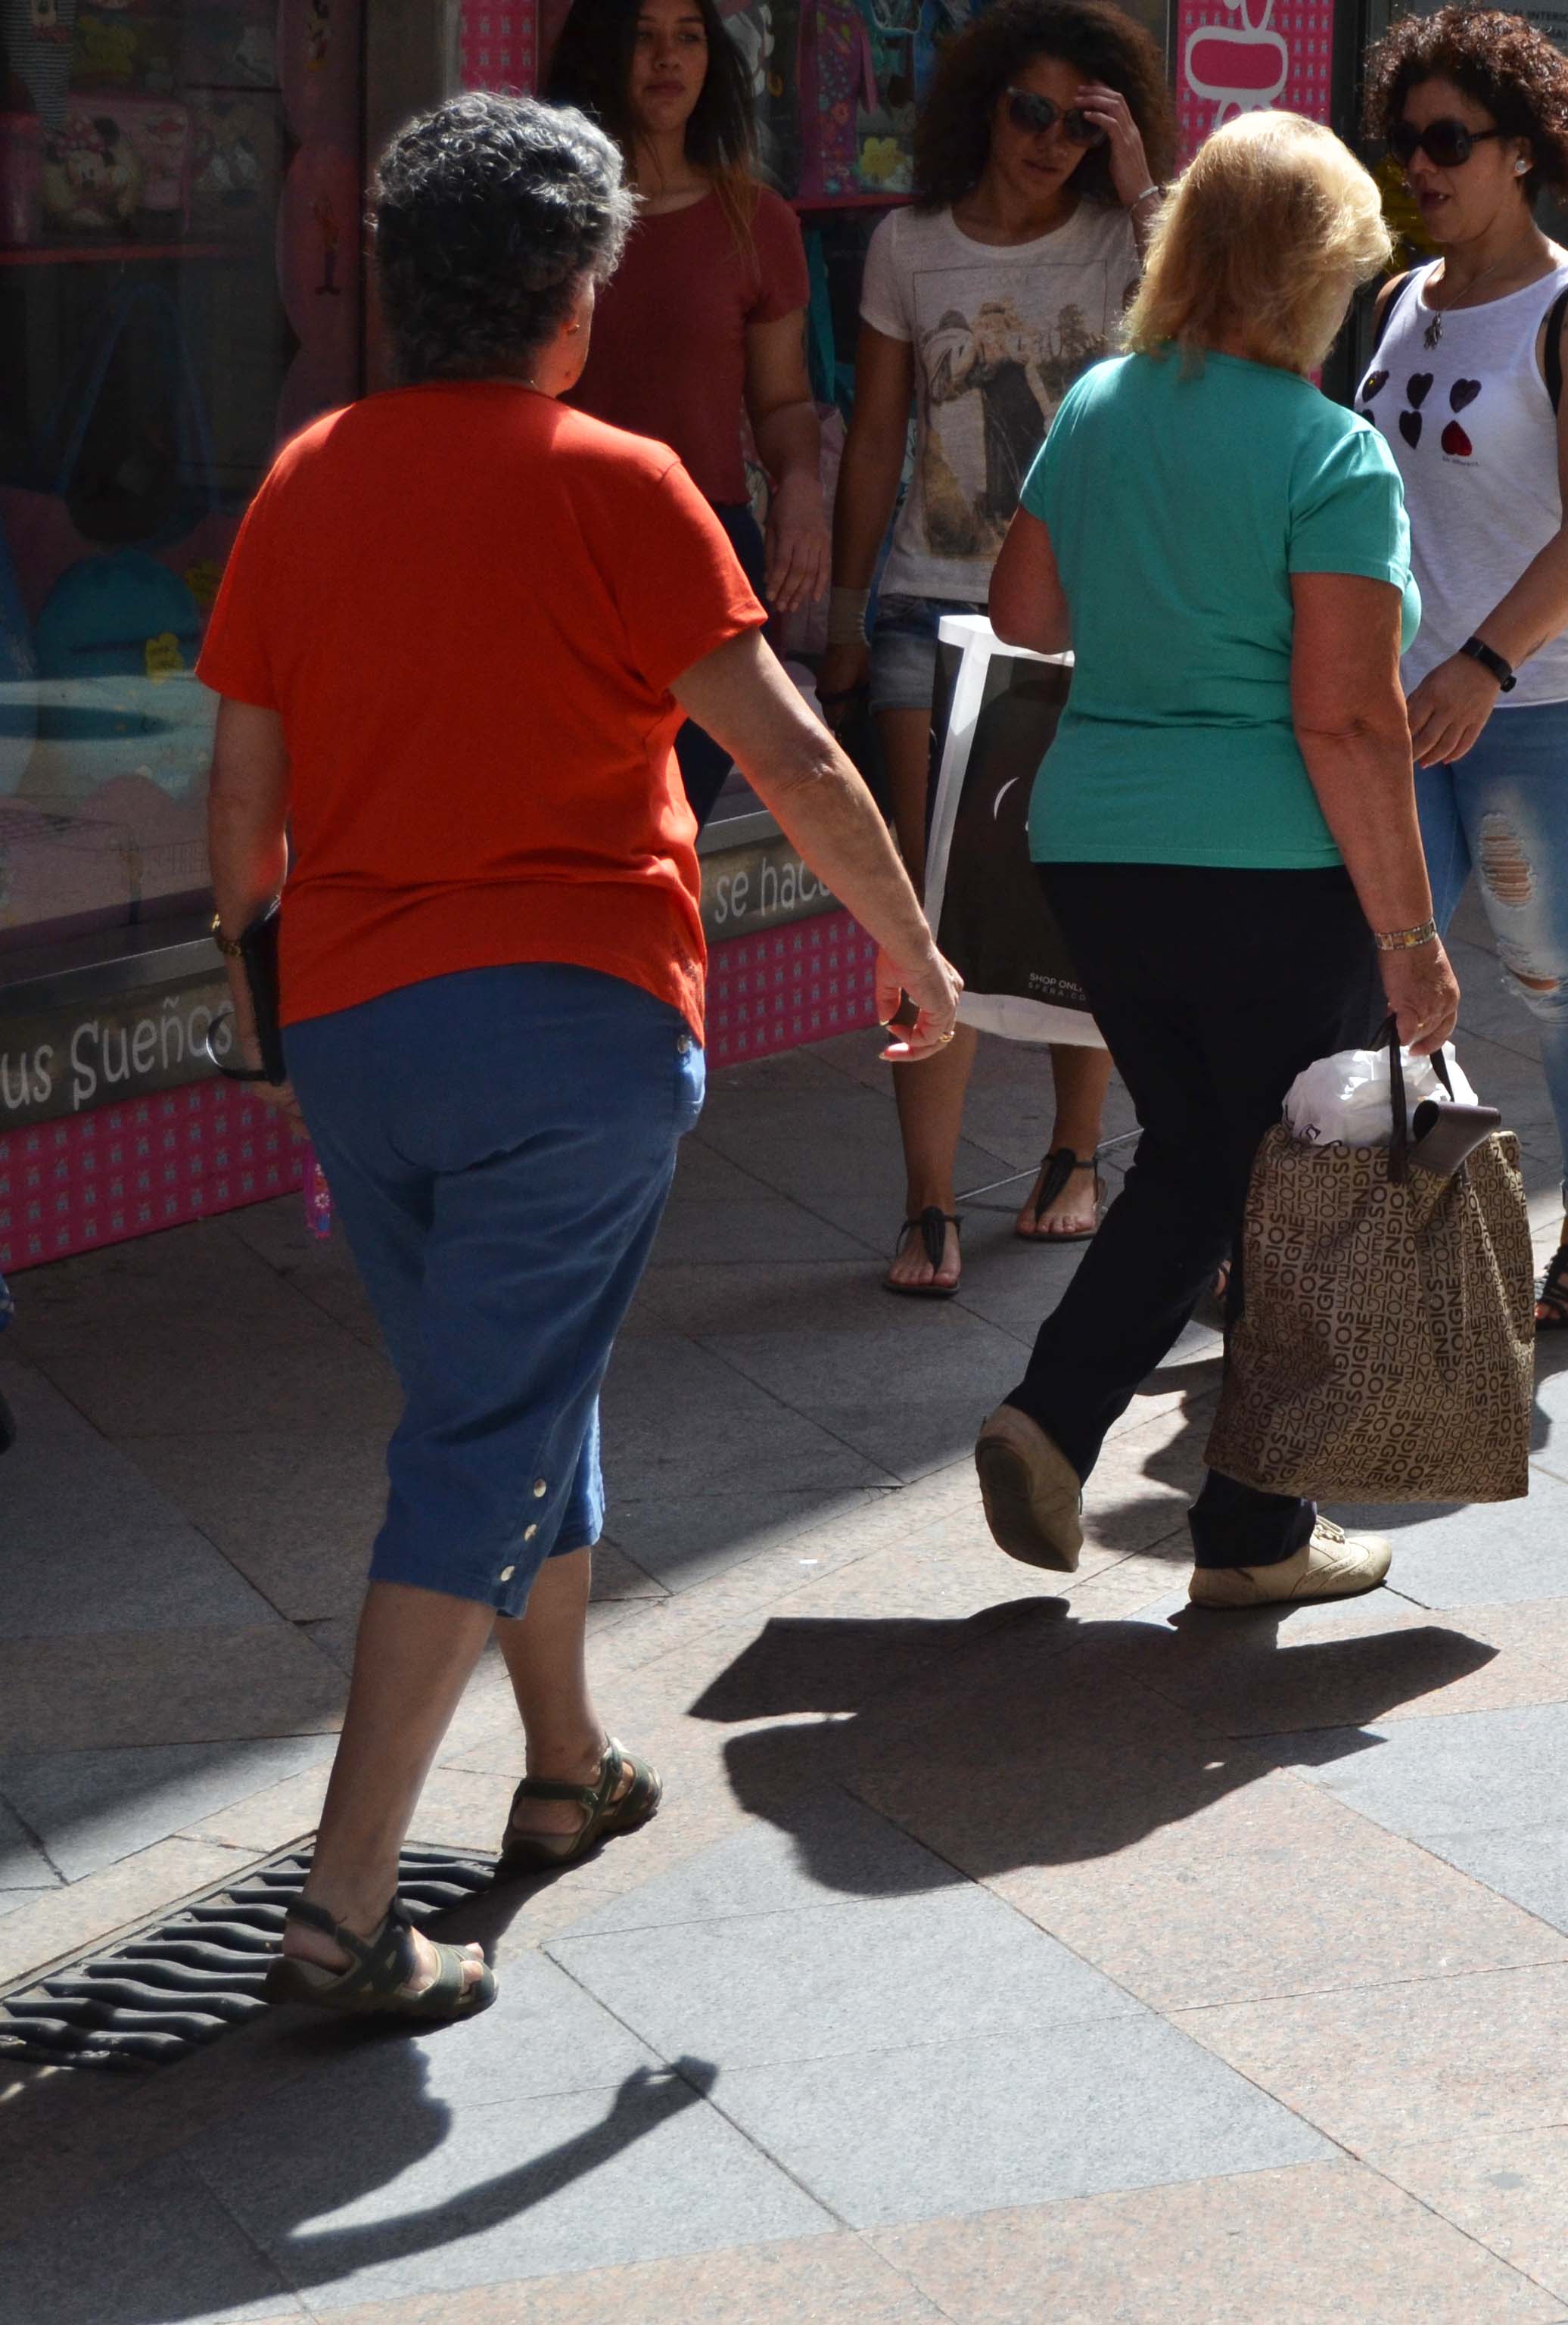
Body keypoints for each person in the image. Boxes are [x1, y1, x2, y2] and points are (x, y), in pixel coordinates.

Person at [200, 95, 960, 2020]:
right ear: (578, 290)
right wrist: (918, 954)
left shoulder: (309, 479)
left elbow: (240, 831)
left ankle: (563, 1766)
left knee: (518, 1377)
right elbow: (791, 754)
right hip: (580, 1027)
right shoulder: (622, 483)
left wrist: (261, 1026)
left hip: (361, 1028)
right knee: (481, 1427)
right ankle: (345, 1903)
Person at [967, 107, 1458, 1609]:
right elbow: (1350, 724)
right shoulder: (1331, 457)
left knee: (1200, 1153)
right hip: (1271, 868)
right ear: (1315, 277)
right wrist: (1413, 940)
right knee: (1298, 1182)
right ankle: (1244, 1529)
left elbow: (1026, 614)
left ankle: (1059, 1424)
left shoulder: (1104, 405)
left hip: (1101, 847)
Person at [820, 0, 1163, 1293]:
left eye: (1081, 124)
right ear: (982, 106)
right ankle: (925, 1204)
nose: (1048, 144)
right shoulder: (910, 247)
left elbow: (1217, 309)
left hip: (1089, 613)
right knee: (927, 910)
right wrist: (843, 611)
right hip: (927, 603)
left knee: (1087, 892)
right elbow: (873, 439)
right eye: (1031, 112)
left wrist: (1138, 181)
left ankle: (1075, 1156)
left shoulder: (1119, 240)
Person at [1357, 9, 1568, 1330]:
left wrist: (1482, 662)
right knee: (1377, 967)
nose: (1417, 167)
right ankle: (1401, 1220)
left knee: (1558, 974)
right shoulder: (1393, 302)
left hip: (1550, 718)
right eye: (1401, 140)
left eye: (1446, 141)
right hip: (1397, 714)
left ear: (1524, 150)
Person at [542, 0, 823, 824]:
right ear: (602, 52)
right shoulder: (549, 221)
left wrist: (801, 483)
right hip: (564, 555)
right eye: (642, 35)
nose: (667, 58)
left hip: (705, 554)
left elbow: (782, 400)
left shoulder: (757, 220)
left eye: (689, 37)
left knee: (675, 825)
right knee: (572, 820)